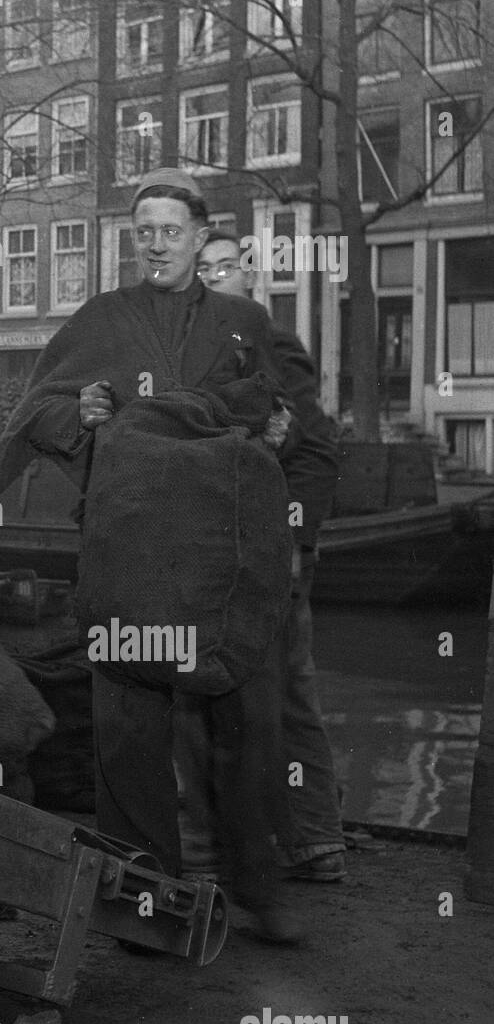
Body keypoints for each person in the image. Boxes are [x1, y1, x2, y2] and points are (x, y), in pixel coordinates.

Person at [0, 168, 338, 944]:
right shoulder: (101, 319)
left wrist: (275, 430)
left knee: (247, 721)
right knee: (129, 728)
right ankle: (137, 902)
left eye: (170, 229)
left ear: (199, 233)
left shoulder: (245, 320)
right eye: (142, 229)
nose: (155, 242)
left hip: (225, 554)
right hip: (132, 550)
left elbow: (285, 415)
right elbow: (37, 408)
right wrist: (77, 414)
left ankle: (258, 891)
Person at [189, 227, 345, 881]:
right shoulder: (210, 348)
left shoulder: (272, 344)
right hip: (229, 546)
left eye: (229, 266)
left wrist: (295, 540)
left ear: (250, 275)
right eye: (208, 268)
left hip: (275, 545)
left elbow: (312, 447)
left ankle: (313, 841)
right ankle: (282, 840)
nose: (219, 277)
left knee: (286, 686)